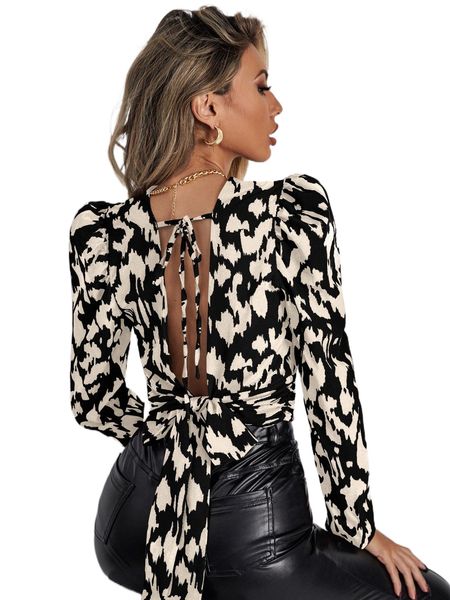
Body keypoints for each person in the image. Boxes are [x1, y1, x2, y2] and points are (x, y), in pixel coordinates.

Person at [68, 6, 450, 600]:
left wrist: (172, 437)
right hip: (256, 529)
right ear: (208, 108)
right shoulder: (287, 214)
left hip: (132, 522)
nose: (277, 107)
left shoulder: (104, 233)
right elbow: (328, 381)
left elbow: (93, 399)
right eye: (262, 86)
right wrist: (358, 525)